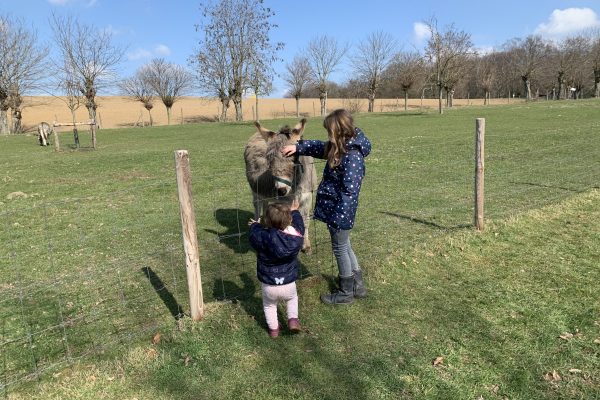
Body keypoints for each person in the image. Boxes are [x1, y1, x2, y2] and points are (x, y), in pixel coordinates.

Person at [282, 109, 371, 305]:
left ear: (340, 130)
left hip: (341, 212)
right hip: (337, 210)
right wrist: (298, 147)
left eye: (330, 131)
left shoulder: (352, 155)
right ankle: (358, 285)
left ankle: (345, 292)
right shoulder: (340, 146)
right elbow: (319, 147)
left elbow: (350, 192)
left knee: (339, 248)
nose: (328, 136)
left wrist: (339, 217)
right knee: (345, 245)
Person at [248, 199, 304, 337]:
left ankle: (273, 330)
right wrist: (295, 211)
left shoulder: (262, 237)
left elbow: (253, 235)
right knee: (292, 299)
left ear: (266, 221)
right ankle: (292, 320)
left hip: (269, 284)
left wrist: (255, 225)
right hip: (288, 283)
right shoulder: (295, 236)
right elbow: (300, 225)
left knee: (269, 305)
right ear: (289, 220)